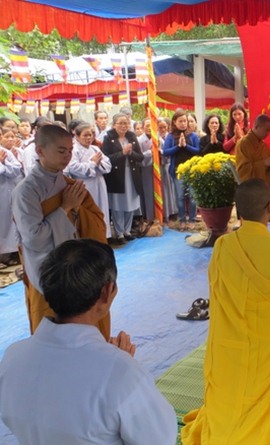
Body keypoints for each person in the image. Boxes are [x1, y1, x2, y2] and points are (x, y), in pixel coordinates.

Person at [0, 239, 177, 445]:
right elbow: (159, 439)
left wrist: (115, 364)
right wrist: (119, 367)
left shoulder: (13, 357)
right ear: (107, 292)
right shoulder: (121, 373)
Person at [181, 179, 270, 445]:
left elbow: (217, 288)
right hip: (268, 349)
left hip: (229, 346)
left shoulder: (223, 246)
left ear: (237, 211)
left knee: (234, 387)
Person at [11, 124, 109, 338]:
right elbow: (34, 239)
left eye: (70, 151)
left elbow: (90, 221)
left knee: (84, 326)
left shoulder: (67, 183)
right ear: (40, 150)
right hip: (47, 272)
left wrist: (76, 210)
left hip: (75, 267)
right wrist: (65, 208)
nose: (67, 156)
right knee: (53, 329)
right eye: (61, 151)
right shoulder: (26, 191)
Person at [102, 112, 145, 245]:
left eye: (126, 123)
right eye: (120, 123)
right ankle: (119, 232)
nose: (123, 126)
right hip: (117, 176)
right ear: (114, 125)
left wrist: (130, 153)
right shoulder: (108, 138)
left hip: (132, 175)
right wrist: (122, 153)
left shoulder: (131, 136)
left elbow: (140, 157)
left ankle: (127, 231)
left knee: (130, 203)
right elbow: (106, 158)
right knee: (118, 205)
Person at [65, 122, 112, 240]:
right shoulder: (74, 150)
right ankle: (89, 236)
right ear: (77, 136)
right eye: (85, 135)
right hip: (84, 184)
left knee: (101, 208)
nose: (88, 138)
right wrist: (92, 163)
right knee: (87, 210)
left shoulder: (95, 148)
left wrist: (98, 163)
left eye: (90, 135)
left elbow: (107, 164)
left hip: (99, 182)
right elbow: (72, 167)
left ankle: (103, 235)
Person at [163, 109, 201, 231]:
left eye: (185, 121)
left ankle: (192, 219)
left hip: (192, 170)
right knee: (180, 196)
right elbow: (166, 152)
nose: (184, 123)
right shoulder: (170, 136)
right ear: (174, 122)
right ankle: (182, 220)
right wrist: (178, 146)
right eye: (181, 121)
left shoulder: (193, 135)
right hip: (177, 171)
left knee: (193, 196)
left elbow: (198, 151)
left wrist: (186, 146)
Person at [0, 129, 23, 266]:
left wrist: (4, 163)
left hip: (8, 192)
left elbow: (16, 169)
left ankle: (11, 252)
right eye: (6, 136)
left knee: (10, 223)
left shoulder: (5, 152)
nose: (9, 139)